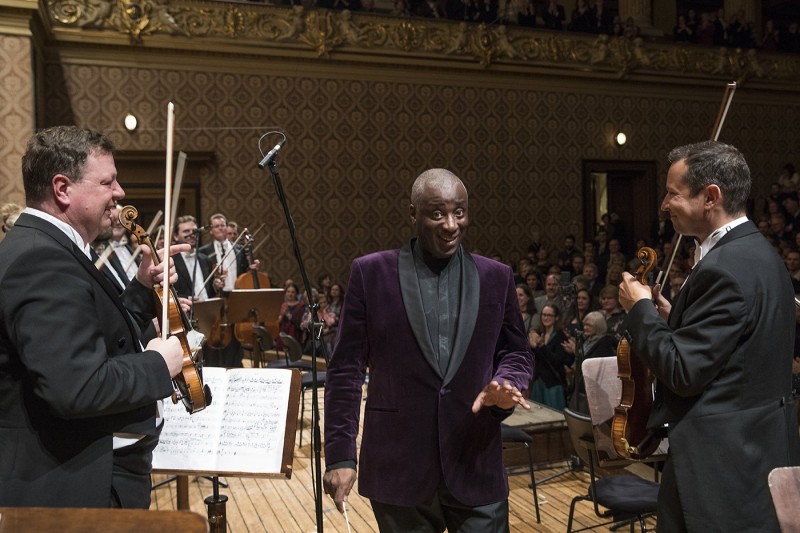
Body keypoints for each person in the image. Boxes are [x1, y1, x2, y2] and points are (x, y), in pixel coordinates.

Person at [323, 168, 533, 532]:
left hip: (475, 458)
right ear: (412, 214)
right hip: (398, 465)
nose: (451, 224)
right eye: (437, 213)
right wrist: (340, 454)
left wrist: (507, 381)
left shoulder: (496, 276)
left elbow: (517, 352)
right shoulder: (370, 274)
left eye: (460, 212)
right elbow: (345, 369)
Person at [618, 140, 800, 532]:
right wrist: (672, 316)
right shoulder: (759, 253)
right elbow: (735, 348)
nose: (664, 206)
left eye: (672, 194)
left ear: (710, 197)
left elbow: (684, 372)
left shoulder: (724, 268)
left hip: (720, 468)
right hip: (755, 452)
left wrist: (640, 311)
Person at [0, 125, 186, 508]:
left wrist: (139, 288)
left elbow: (96, 337)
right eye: (108, 182)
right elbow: (77, 386)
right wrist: (158, 364)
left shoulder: (52, 248)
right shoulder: (42, 260)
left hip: (86, 473)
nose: (119, 193)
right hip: (72, 488)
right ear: (63, 189)